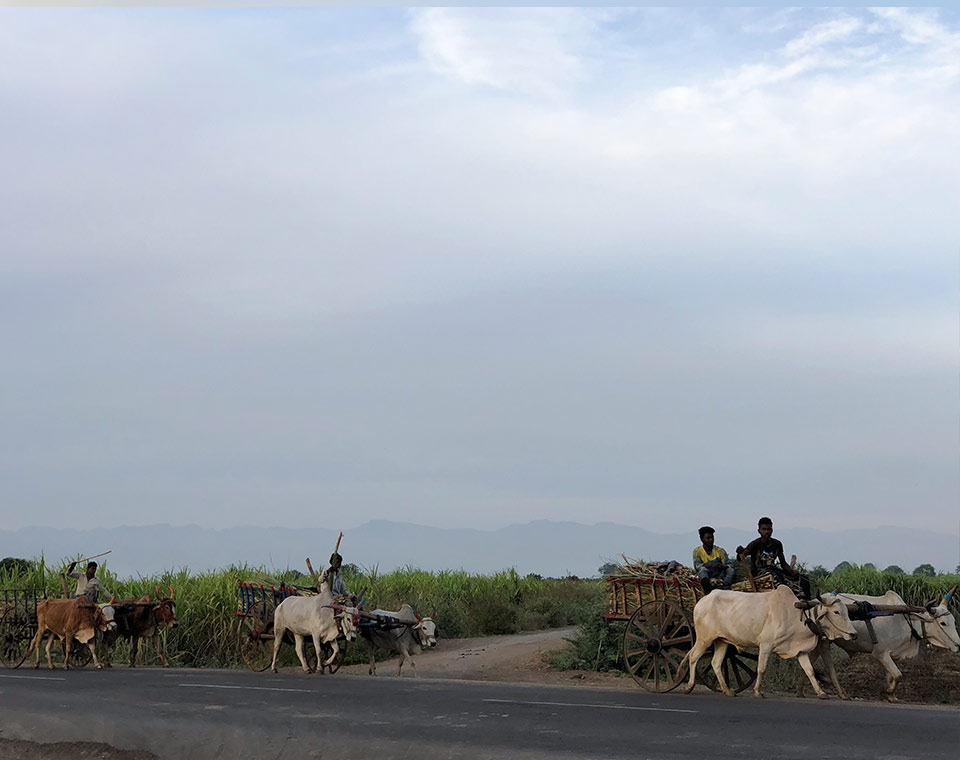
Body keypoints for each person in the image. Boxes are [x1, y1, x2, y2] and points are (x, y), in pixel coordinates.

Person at [736, 517, 811, 598]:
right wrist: (740, 552)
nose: (766, 532)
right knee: (778, 579)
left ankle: (806, 601)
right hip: (759, 574)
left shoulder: (777, 544)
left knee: (804, 579)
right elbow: (741, 557)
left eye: (768, 529)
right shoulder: (754, 544)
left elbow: (783, 563)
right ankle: (787, 597)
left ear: (772, 530)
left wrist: (793, 573)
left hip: (774, 571)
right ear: (759, 531)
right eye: (764, 529)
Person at [693, 526, 735, 591]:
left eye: (712, 537)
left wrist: (721, 566)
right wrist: (709, 564)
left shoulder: (720, 551)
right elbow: (697, 566)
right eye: (708, 538)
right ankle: (707, 588)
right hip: (708, 574)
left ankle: (725, 586)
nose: (711, 540)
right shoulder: (697, 551)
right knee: (702, 570)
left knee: (730, 570)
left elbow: (729, 565)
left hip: (720, 574)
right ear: (702, 539)